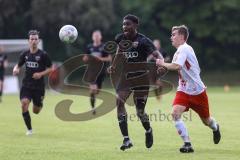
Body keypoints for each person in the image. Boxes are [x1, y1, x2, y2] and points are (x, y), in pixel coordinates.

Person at [156, 25, 221, 153]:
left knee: (206, 121)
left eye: (174, 34)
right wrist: (162, 68)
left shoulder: (185, 49)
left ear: (181, 36)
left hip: (197, 91)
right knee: (175, 113)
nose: (171, 37)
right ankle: (187, 144)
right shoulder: (178, 52)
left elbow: (176, 66)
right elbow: (174, 67)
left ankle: (215, 127)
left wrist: (163, 63)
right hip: (184, 90)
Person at [109, 14, 164, 151]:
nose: (124, 27)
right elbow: (119, 51)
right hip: (126, 77)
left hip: (141, 78)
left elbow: (157, 54)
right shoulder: (120, 38)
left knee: (140, 112)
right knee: (119, 102)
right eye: (123, 24)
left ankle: (148, 130)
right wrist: (114, 65)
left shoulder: (144, 41)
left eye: (127, 24)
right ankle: (127, 139)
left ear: (135, 25)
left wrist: (162, 64)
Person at [13, 30, 52, 136]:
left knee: (36, 110)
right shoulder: (24, 54)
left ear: (38, 41)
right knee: (24, 104)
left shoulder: (43, 55)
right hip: (26, 85)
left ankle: (40, 102)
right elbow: (18, 65)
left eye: (35, 39)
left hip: (39, 87)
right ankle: (29, 130)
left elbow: (51, 68)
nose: (34, 41)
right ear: (28, 41)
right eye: (32, 39)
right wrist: (16, 69)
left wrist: (41, 74)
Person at [82, 30, 112, 115]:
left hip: (101, 72)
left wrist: (100, 59)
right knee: (93, 89)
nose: (96, 37)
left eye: (98, 36)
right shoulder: (89, 47)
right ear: (92, 37)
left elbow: (109, 58)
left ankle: (93, 95)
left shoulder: (104, 47)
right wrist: (86, 59)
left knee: (97, 91)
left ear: (100, 37)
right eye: (95, 36)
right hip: (91, 71)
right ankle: (93, 108)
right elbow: (85, 58)